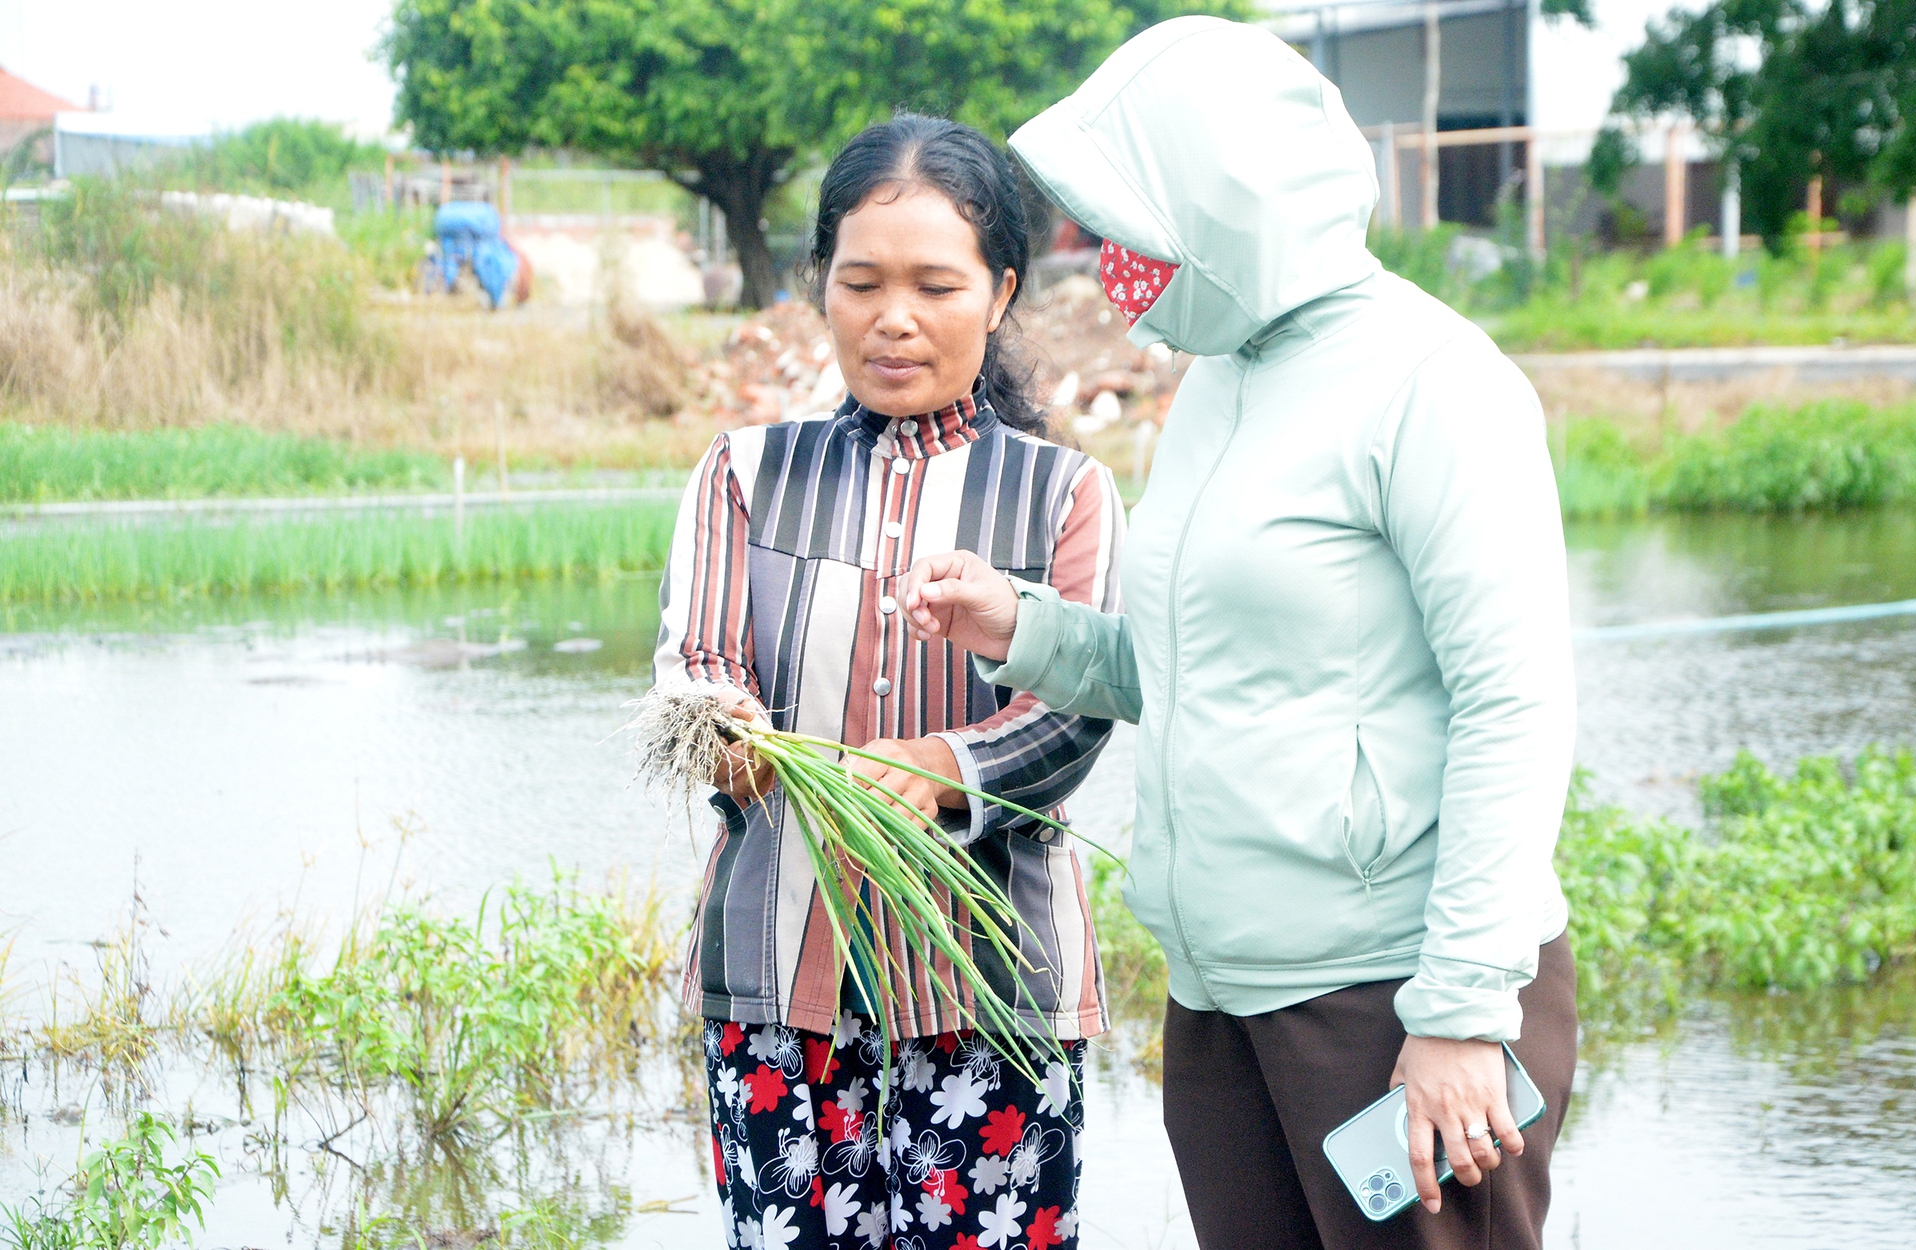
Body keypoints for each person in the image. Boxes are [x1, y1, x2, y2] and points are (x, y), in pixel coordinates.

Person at [900, 17, 1578, 1250]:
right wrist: (1023, 628)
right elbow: (1192, 662)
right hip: (1222, 993)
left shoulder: (1434, 382)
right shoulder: (1215, 381)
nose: (1111, 259)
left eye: (1130, 225)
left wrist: (1463, 1010)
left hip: (1388, 993)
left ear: (1226, 204)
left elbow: (1514, 703)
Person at [654, 114, 1126, 1249]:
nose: (893, 318)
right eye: (859, 281)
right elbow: (701, 665)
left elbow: (1074, 710)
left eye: (934, 284)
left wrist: (940, 769)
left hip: (992, 991)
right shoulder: (745, 472)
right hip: (779, 984)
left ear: (1001, 290)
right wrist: (721, 731)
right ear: (822, 283)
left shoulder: (1065, 494)